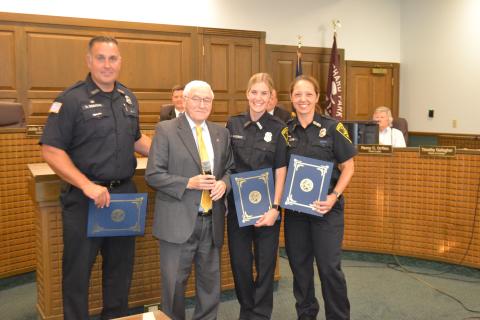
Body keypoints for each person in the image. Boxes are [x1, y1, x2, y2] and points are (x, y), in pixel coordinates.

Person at [40, 36, 151, 320]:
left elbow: (137, 140)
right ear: (89, 61)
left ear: (120, 62)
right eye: (100, 58)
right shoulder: (71, 99)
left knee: (119, 271)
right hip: (84, 197)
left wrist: (176, 152)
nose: (107, 64)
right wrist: (87, 185)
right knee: (77, 272)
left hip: (123, 197)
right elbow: (51, 150)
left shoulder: (128, 97)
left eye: (113, 58)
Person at [145, 80, 234, 320]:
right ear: (184, 101)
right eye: (196, 98)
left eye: (207, 100)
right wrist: (188, 183)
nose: (202, 104)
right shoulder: (166, 130)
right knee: (173, 287)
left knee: (209, 287)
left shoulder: (221, 133)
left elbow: (229, 169)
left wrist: (224, 184)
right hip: (177, 223)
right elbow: (153, 175)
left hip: (211, 221)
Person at [284, 75, 356, 320]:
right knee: (300, 270)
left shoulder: (334, 127)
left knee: (329, 269)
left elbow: (349, 167)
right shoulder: (286, 131)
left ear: (317, 97)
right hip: (295, 214)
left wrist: (335, 195)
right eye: (297, 95)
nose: (303, 99)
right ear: (291, 98)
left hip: (326, 211)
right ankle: (306, 315)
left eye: (308, 94)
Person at [226, 73, 288, 320]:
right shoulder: (233, 123)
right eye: (254, 92)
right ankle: (247, 310)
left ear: (271, 97)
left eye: (264, 93)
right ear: (247, 94)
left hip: (267, 210)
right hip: (237, 209)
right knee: (240, 264)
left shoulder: (279, 128)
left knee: (265, 266)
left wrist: (276, 207)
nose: (258, 98)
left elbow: (281, 171)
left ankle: (261, 314)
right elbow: (227, 165)